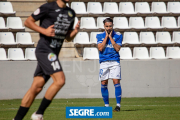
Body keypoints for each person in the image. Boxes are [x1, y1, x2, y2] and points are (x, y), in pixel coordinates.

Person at [13, 0, 80, 120]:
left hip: (53, 52)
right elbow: (28, 22)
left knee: (36, 87)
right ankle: (39, 113)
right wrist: (44, 31)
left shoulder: (71, 13)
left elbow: (68, 38)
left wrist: (75, 32)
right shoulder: (48, 7)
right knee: (60, 80)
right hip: (45, 50)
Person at [96, 18, 123, 112]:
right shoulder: (99, 35)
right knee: (103, 83)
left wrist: (111, 37)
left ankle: (118, 106)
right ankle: (106, 106)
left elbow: (117, 48)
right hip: (104, 62)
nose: (108, 28)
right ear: (104, 26)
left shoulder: (118, 35)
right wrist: (106, 37)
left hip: (114, 61)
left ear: (113, 25)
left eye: (110, 26)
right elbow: (100, 48)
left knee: (116, 82)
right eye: (107, 26)